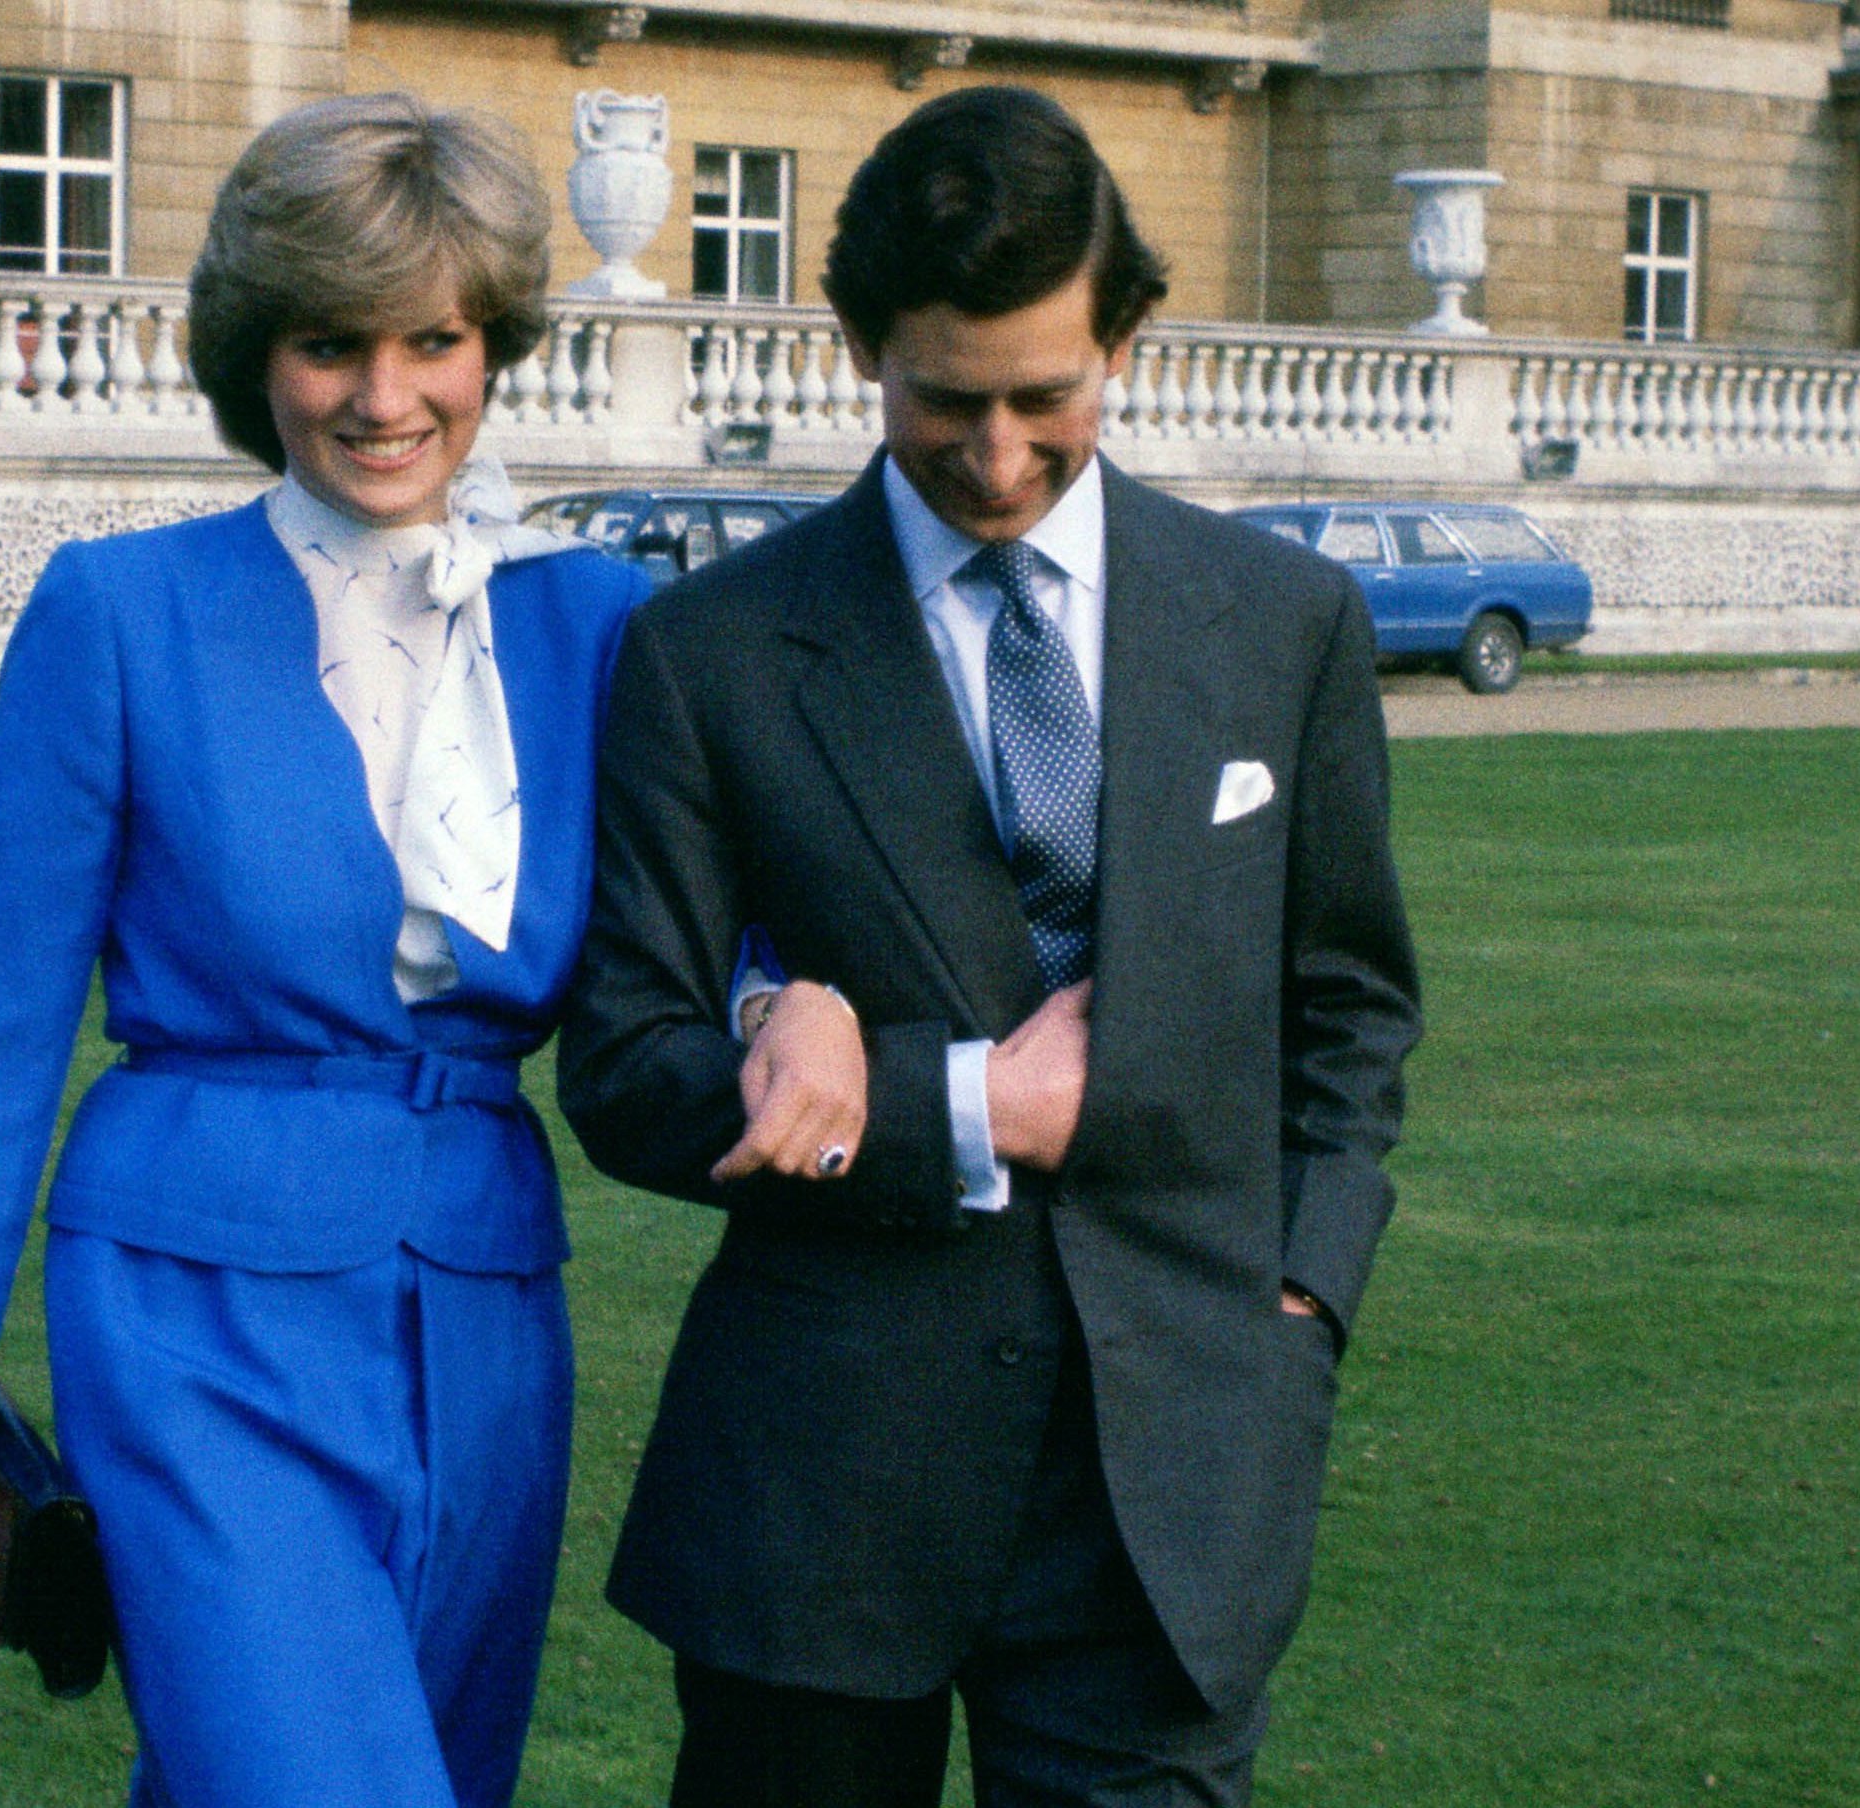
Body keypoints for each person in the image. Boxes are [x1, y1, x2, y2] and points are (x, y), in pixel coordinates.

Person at [558, 85, 1422, 1807]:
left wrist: (1304, 1304)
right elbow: (627, 1063)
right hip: (818, 1495)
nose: (1001, 455)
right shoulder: (709, 652)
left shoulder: (1284, 624)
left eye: (1049, 397)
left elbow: (1353, 1011)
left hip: (1173, 1480)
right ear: (860, 347)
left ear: (1128, 339)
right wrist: (958, 1107)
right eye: (948, 400)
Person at [0, 94, 646, 1808]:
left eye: (434, 340)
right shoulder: (118, 616)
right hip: (190, 1311)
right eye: (328, 342)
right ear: (252, 355)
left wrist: (787, 1003)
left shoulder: (600, 628)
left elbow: (710, 935)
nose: (384, 396)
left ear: (493, 342)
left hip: (488, 1308)